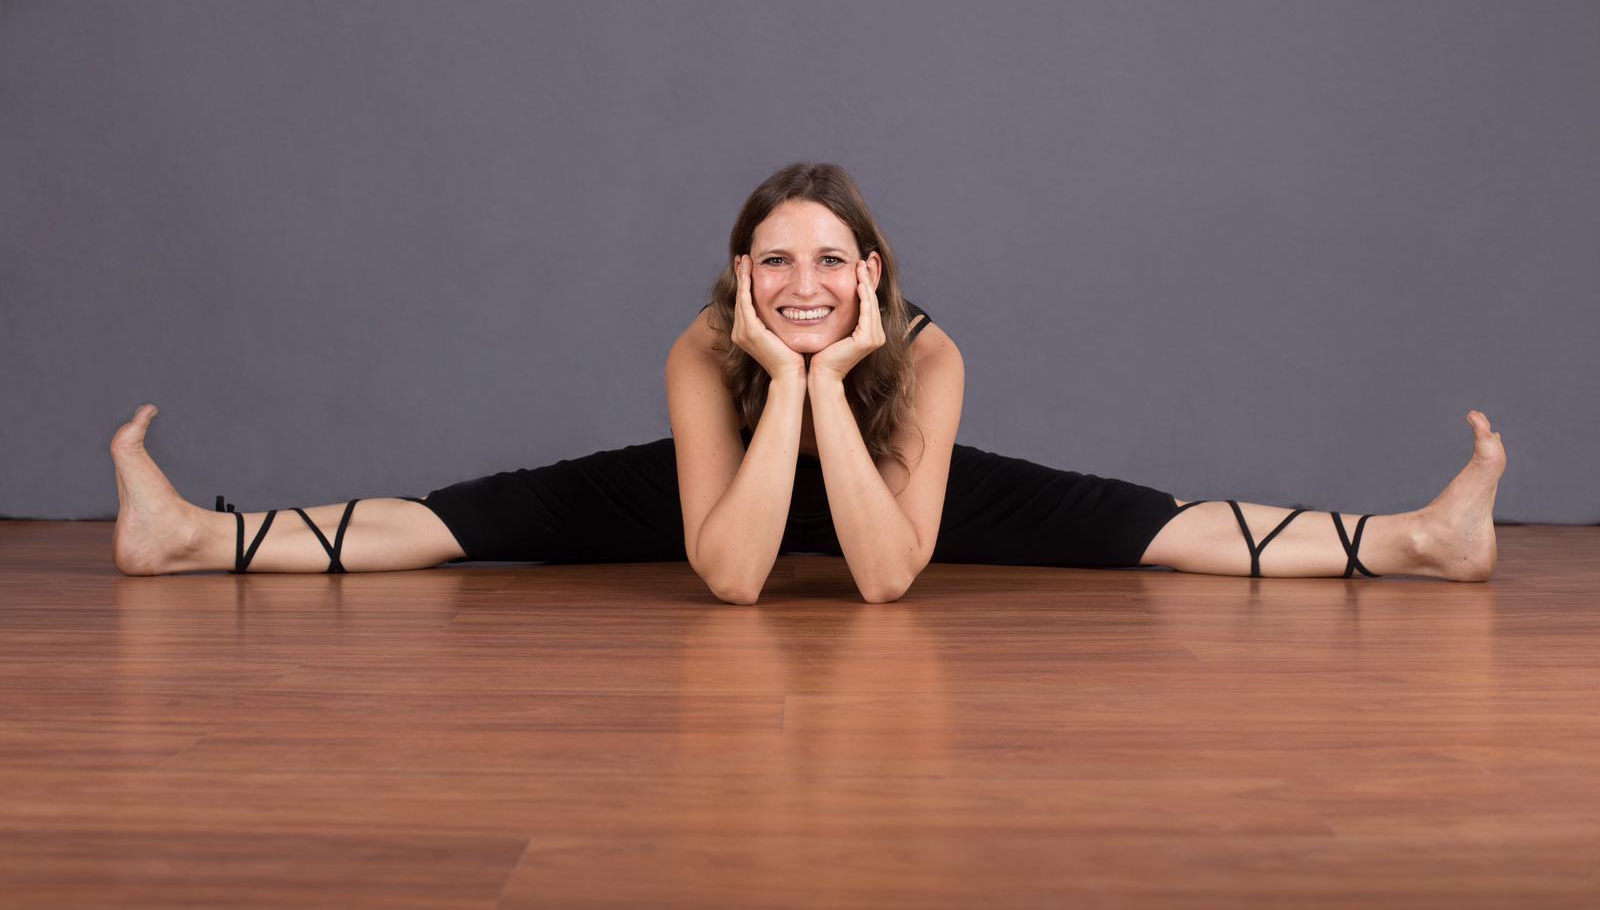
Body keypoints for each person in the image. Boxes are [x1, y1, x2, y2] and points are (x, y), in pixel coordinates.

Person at [109, 163, 1506, 599]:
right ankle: (189, 538)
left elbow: (887, 576)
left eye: (829, 261)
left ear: (871, 271)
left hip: (893, 483)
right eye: (775, 261)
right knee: (477, 515)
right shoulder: (702, 346)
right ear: (742, 274)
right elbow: (732, 575)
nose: (802, 282)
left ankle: (1418, 541)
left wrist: (834, 379)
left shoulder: (930, 351)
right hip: (731, 483)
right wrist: (783, 376)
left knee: (1144, 521)